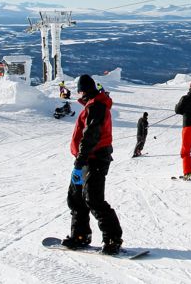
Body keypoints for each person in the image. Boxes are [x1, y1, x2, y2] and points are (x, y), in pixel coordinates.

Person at [62, 74, 123, 255]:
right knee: (76, 198)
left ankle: (113, 238)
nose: (79, 95)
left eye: (80, 91)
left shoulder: (96, 106)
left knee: (93, 198)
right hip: (87, 158)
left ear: (84, 91)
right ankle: (80, 235)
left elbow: (91, 135)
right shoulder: (92, 105)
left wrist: (79, 162)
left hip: (95, 158)